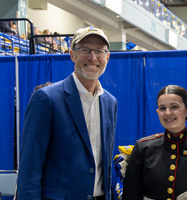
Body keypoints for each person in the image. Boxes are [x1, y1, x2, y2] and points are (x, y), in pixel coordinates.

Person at [17, 26, 117, 200]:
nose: (93, 57)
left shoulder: (110, 102)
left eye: (99, 51)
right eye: (85, 50)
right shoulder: (47, 99)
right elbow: (30, 167)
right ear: (72, 55)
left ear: (107, 57)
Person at [123, 85, 187, 200]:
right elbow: (131, 195)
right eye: (162, 108)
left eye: (174, 107)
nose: (168, 113)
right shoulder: (143, 147)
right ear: (157, 112)